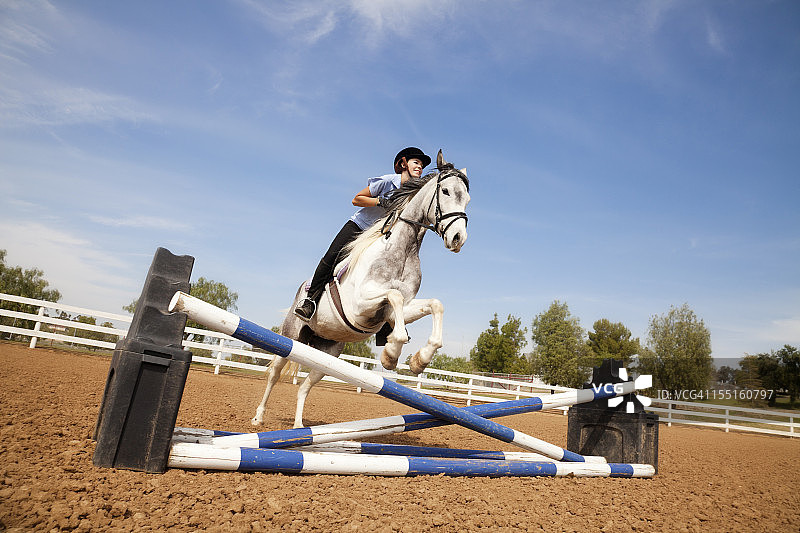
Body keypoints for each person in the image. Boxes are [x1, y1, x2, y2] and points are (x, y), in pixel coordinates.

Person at [294, 147, 432, 320]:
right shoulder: (387, 181)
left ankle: (387, 321)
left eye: (421, 165)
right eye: (416, 162)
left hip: (379, 235)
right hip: (358, 227)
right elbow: (356, 199)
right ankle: (309, 301)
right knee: (331, 257)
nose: (420, 167)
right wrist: (380, 201)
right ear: (403, 163)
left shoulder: (413, 193)